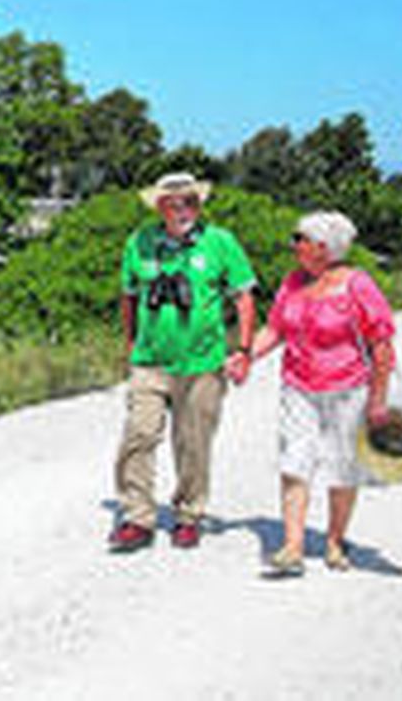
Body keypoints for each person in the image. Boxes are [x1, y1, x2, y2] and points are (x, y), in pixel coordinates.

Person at [108, 172, 259, 552]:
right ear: (159, 206)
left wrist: (243, 350)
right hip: (150, 361)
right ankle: (137, 516)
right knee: (139, 435)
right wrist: (129, 345)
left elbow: (243, 297)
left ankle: (189, 514)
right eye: (173, 202)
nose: (182, 209)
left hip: (202, 363)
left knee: (193, 444)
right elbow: (128, 297)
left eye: (190, 201)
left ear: (199, 204)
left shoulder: (220, 242)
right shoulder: (139, 242)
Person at [246, 211, 395, 576]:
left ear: (324, 248)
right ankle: (292, 547)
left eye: (300, 238)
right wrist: (246, 355)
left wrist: (377, 401)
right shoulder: (292, 283)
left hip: (348, 388)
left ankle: (334, 540)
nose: (293, 245)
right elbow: (275, 328)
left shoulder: (358, 285)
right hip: (298, 386)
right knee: (294, 462)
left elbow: (382, 345)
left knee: (342, 466)